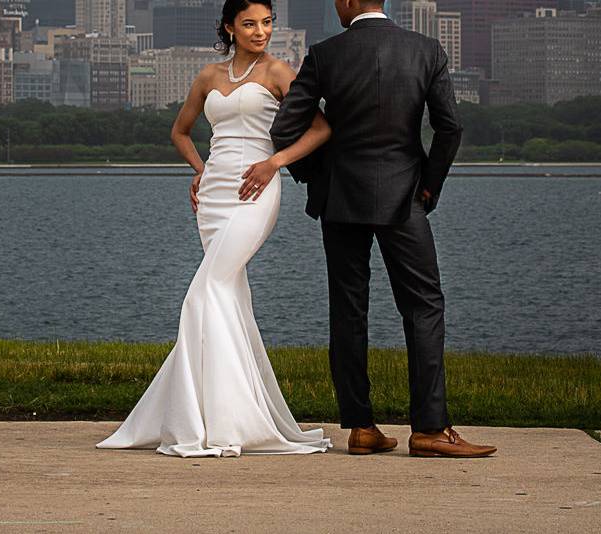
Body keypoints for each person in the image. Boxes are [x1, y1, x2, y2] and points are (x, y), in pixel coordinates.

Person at [245, 0, 497, 457]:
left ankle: (360, 427)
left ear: (345, 2)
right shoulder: (427, 49)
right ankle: (430, 429)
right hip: (405, 197)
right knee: (423, 307)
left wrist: (318, 178)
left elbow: (285, 128)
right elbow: (450, 129)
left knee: (348, 310)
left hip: (340, 198)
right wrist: (428, 187)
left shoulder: (325, 53)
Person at [95, 0, 334, 457]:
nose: (261, 31)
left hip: (256, 191)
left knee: (203, 292)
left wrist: (274, 163)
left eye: (266, 22)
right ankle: (226, 415)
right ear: (230, 27)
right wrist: (200, 170)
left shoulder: (279, 72)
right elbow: (180, 132)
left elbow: (321, 129)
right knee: (226, 298)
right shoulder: (209, 76)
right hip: (215, 194)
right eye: (250, 24)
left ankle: (200, 417)